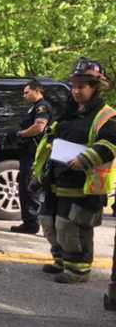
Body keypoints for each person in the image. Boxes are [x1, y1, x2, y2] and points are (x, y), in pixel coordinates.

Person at [32, 57, 116, 284]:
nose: (76, 91)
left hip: (83, 183)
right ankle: (61, 261)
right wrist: (38, 173)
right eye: (74, 86)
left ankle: (78, 269)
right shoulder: (68, 113)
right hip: (57, 179)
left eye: (82, 87)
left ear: (95, 87)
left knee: (70, 226)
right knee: (49, 223)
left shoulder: (106, 116)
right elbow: (49, 142)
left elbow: (110, 145)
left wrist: (85, 159)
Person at [7, 80, 52, 234]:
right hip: (28, 152)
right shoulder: (33, 107)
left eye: (27, 92)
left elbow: (39, 127)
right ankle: (28, 221)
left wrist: (20, 134)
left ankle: (31, 224)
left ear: (37, 90)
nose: (24, 95)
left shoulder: (42, 106)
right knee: (24, 187)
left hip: (35, 153)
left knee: (29, 187)